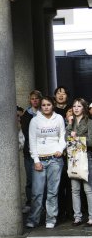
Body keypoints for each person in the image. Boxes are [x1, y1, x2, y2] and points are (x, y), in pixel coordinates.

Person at [26, 96, 66, 229]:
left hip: (55, 159)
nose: (46, 107)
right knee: (37, 192)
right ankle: (33, 219)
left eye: (48, 104)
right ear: (41, 107)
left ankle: (51, 219)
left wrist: (60, 149)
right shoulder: (34, 120)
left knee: (52, 192)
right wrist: (36, 160)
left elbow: (63, 136)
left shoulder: (59, 118)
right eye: (43, 105)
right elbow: (32, 141)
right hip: (40, 161)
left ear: (53, 105)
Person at [65, 98, 92, 227]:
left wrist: (78, 138)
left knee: (88, 189)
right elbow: (66, 139)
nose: (76, 108)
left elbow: (91, 141)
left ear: (84, 108)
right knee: (74, 189)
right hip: (73, 158)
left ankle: (91, 217)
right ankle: (77, 217)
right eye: (74, 106)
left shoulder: (89, 122)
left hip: (86, 157)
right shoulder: (70, 122)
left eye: (79, 106)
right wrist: (69, 124)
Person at [21, 90, 42, 213]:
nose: (34, 100)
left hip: (43, 151)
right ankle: (29, 203)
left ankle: (41, 204)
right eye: (32, 98)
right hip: (29, 151)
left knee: (41, 179)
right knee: (30, 179)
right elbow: (26, 133)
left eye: (37, 98)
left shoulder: (44, 113)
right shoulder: (26, 115)